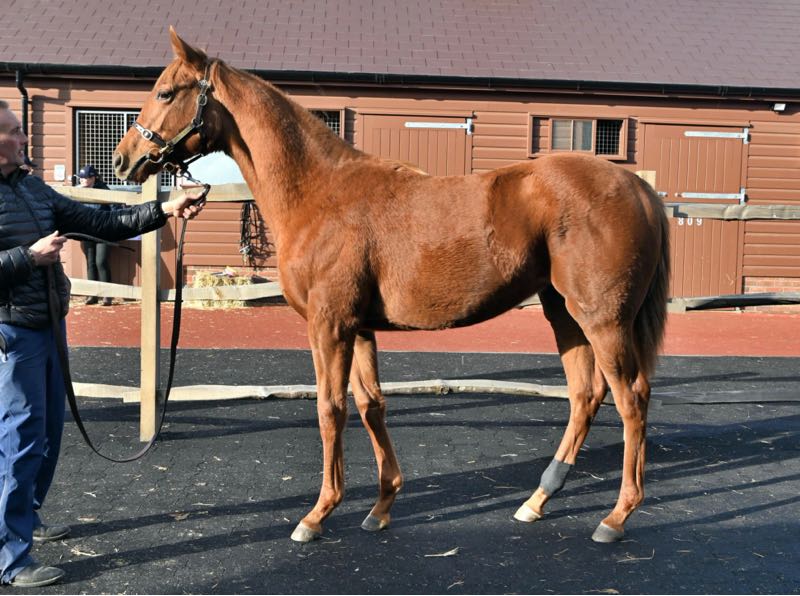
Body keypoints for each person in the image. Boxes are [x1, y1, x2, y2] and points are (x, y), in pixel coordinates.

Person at [0, 100, 204, 588]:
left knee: (47, 434)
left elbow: (102, 223)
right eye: (14, 132)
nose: (24, 139)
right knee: (19, 439)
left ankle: (26, 515)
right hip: (12, 333)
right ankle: (10, 558)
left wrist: (166, 208)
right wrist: (27, 257)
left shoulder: (32, 187)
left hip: (49, 325)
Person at [76, 165, 117, 306]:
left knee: (101, 261)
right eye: (81, 178)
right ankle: (92, 295)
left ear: (93, 178)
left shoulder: (103, 189)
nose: (82, 180)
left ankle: (107, 295)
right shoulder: (77, 191)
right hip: (86, 231)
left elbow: (115, 208)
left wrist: (113, 224)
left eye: (85, 178)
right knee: (90, 262)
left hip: (103, 232)